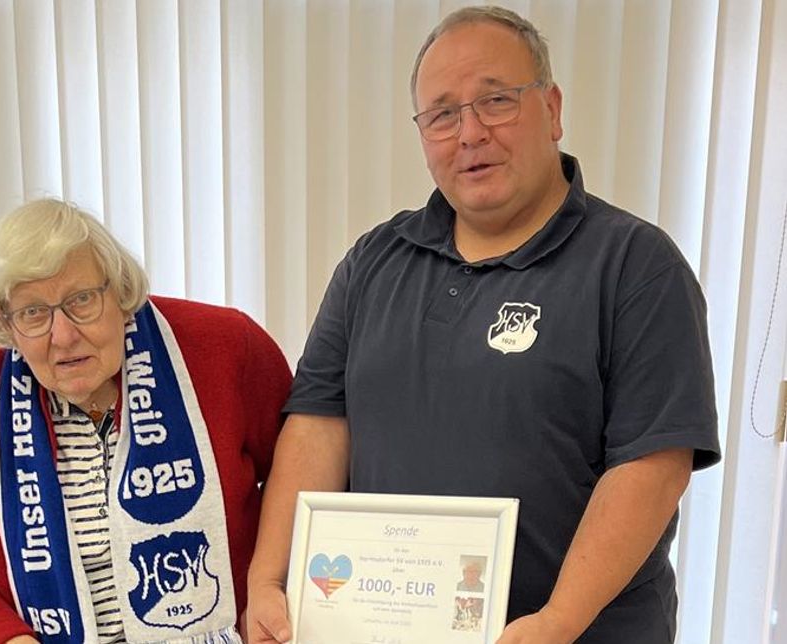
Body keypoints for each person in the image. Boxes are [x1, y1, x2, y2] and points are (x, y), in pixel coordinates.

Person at [246, 5, 720, 644]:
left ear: (552, 110)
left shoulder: (636, 265)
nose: (469, 133)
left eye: (496, 101)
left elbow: (654, 462)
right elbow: (318, 425)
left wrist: (557, 621)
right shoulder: (371, 263)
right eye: (442, 114)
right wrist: (268, 582)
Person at [0, 199, 291, 643]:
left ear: (120, 292)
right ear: (5, 323)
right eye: (33, 312)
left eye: (82, 300)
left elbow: (303, 483)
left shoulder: (226, 349)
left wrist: (270, 588)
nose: (64, 335)